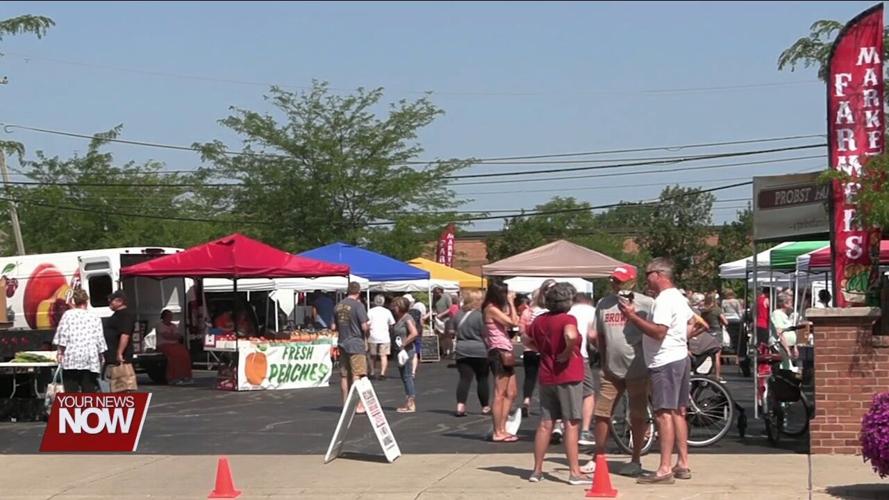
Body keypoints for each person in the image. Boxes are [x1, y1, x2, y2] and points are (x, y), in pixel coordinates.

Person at [619, 258, 697, 484]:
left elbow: (659, 332)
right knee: (677, 411)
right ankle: (682, 463)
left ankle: (664, 468)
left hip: (664, 362)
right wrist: (681, 338)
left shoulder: (663, 300)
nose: (646, 279)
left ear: (659, 274)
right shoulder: (678, 297)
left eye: (648, 274)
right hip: (679, 357)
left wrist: (632, 316)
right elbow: (694, 322)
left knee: (664, 413)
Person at [583, 265, 654, 478]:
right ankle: (599, 456)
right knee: (602, 413)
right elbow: (601, 335)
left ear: (632, 282)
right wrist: (603, 360)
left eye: (619, 280)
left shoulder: (646, 303)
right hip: (611, 369)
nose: (614, 284)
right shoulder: (604, 304)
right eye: (613, 280)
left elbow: (655, 331)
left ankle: (635, 458)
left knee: (638, 415)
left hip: (638, 367)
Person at [527, 282, 591, 485]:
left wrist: (544, 351)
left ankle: (536, 470)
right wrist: (565, 352)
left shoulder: (539, 320)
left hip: (547, 374)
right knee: (571, 422)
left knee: (546, 423)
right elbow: (570, 335)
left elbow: (526, 339)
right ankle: (574, 472)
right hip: (568, 374)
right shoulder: (567, 318)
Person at [482, 282, 520, 442]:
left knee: (511, 392)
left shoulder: (496, 308)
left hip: (505, 350)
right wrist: (511, 302)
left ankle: (503, 427)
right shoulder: (491, 309)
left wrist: (511, 306)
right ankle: (498, 431)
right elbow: (513, 323)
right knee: (499, 393)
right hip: (498, 352)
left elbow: (515, 320)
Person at [53, 289, 106, 392]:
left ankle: (73, 408)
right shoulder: (94, 317)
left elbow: (63, 335)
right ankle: (88, 408)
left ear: (74, 301)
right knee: (89, 391)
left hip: (71, 358)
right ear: (87, 301)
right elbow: (99, 338)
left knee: (71, 393)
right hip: (90, 358)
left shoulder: (68, 315)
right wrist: (101, 355)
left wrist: (60, 352)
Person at [519, 280, 556, 419]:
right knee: (547, 379)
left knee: (530, 377)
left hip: (529, 349)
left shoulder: (528, 312)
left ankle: (526, 401)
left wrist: (528, 339)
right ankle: (546, 405)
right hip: (546, 349)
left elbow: (521, 331)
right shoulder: (550, 311)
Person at [333, 282, 370, 411]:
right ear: (359, 292)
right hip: (355, 343)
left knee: (344, 375)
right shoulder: (358, 306)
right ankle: (357, 405)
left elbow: (333, 327)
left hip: (342, 342)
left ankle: (345, 404)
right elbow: (364, 326)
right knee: (357, 374)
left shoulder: (338, 306)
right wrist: (369, 332)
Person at [453, 290, 491, 417]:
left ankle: (460, 405)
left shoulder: (458, 315)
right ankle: (485, 407)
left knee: (464, 379)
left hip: (462, 349)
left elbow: (451, 331)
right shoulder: (481, 316)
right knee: (482, 378)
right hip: (479, 350)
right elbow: (485, 335)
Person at [569, 292, 597, 447]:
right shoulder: (592, 312)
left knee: (565, 391)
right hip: (581, 356)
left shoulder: (567, 311)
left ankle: (560, 426)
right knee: (588, 393)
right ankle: (585, 430)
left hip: (561, 357)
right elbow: (593, 335)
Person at [104, 290, 138, 392]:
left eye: (111, 301)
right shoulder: (117, 315)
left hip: (119, 356)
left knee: (120, 384)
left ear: (120, 301)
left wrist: (119, 353)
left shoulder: (126, 315)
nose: (110, 304)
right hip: (110, 354)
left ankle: (122, 403)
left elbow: (125, 335)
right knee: (112, 382)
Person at [390, 296, 419, 412]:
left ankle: (410, 403)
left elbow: (414, 333)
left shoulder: (407, 318)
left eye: (395, 306)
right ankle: (409, 401)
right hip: (400, 351)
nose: (393, 308)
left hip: (406, 351)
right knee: (405, 377)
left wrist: (403, 344)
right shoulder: (400, 318)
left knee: (407, 377)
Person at [155, 309, 193, 385]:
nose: (170, 318)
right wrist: (174, 336)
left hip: (175, 345)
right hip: (164, 345)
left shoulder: (173, 325)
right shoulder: (160, 325)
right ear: (164, 317)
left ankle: (185, 376)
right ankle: (173, 377)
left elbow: (178, 336)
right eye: (169, 316)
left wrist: (174, 336)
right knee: (174, 356)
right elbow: (166, 336)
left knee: (184, 353)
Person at [697, 292, 727, 382]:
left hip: (706, 333)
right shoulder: (717, 310)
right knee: (717, 355)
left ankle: (705, 374)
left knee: (706, 355)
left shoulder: (703, 311)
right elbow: (726, 322)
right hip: (717, 332)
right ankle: (717, 375)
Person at [366, 294, 395, 380]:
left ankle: (371, 372)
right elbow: (392, 323)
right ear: (383, 302)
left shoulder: (370, 311)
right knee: (383, 355)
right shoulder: (387, 311)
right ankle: (382, 373)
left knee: (372, 355)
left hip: (373, 335)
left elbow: (367, 323)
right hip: (384, 336)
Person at [770, 294, 799, 370]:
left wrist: (794, 347)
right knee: (783, 368)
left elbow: (791, 331)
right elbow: (780, 333)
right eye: (790, 302)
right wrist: (787, 350)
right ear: (785, 303)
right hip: (780, 346)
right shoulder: (777, 314)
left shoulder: (785, 315)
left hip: (788, 346)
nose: (792, 304)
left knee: (788, 367)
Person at [721, 289, 743, 353]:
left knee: (728, 333)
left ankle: (729, 346)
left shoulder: (724, 301)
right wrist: (741, 318)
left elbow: (722, 311)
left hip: (727, 318)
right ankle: (735, 347)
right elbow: (739, 311)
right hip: (735, 318)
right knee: (736, 334)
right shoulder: (736, 301)